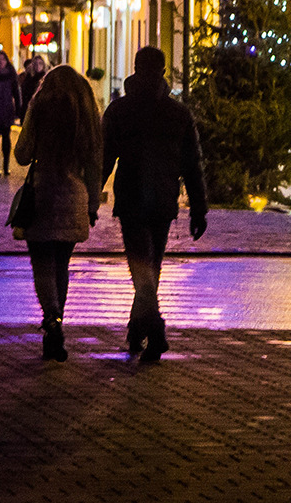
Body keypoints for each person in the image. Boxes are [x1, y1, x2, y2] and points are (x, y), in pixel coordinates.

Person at [102, 46, 207, 362]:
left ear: (134, 68)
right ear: (163, 70)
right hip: (163, 198)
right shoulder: (178, 113)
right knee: (151, 267)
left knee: (141, 268)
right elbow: (193, 164)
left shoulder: (119, 110)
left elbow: (105, 158)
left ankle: (154, 329)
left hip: (132, 197)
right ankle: (138, 329)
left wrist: (93, 195)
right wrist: (199, 207)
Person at [13, 64, 103, 362]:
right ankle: (57, 322)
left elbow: (22, 155)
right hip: (74, 196)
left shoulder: (39, 106)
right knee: (61, 264)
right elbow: (94, 164)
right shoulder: (88, 114)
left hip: (42, 192)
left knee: (41, 263)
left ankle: (51, 318)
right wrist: (91, 204)